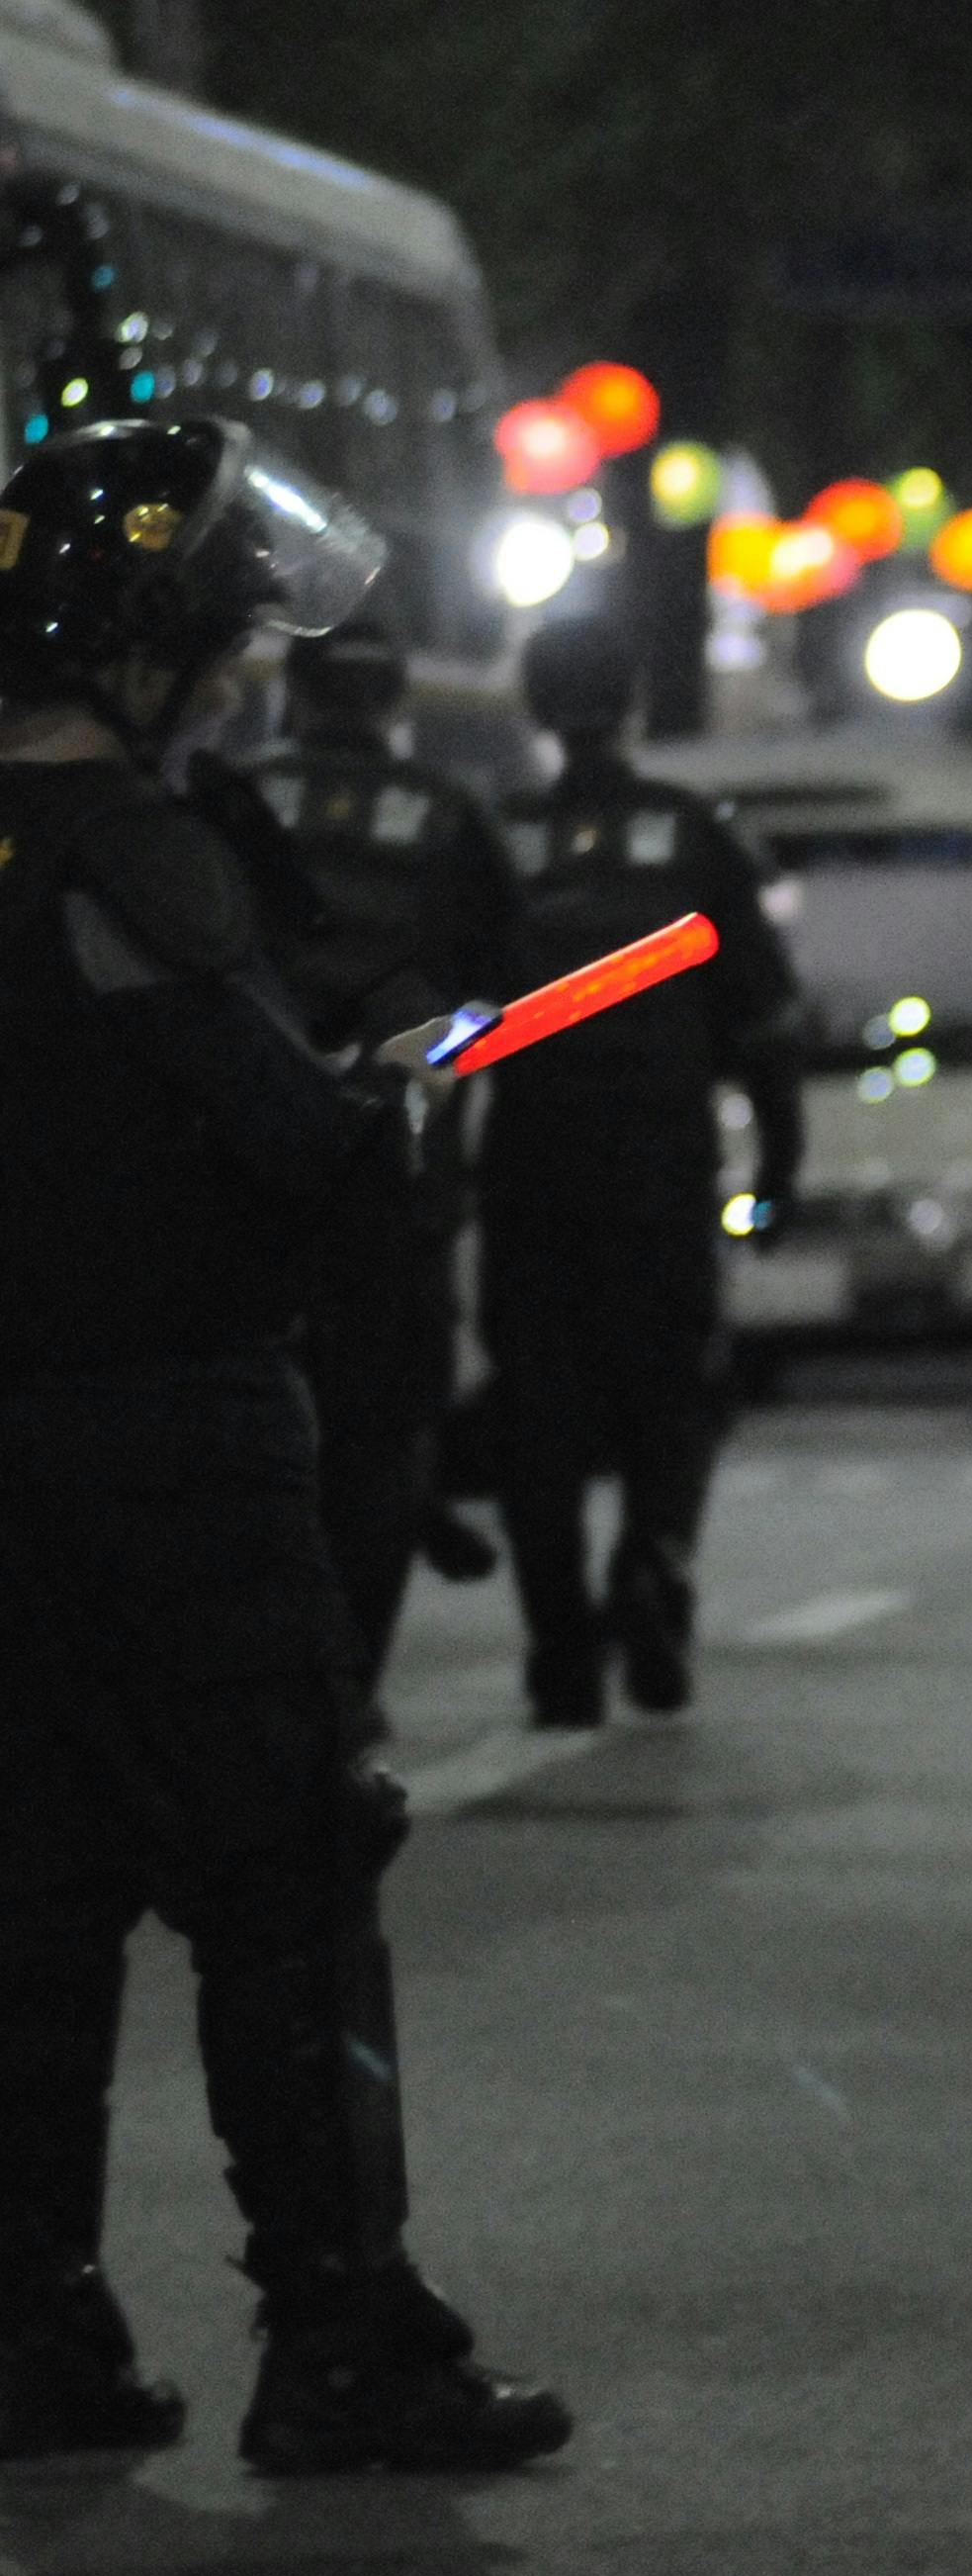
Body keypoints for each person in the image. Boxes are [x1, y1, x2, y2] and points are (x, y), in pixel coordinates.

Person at [0, 415, 569, 2471]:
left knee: (36, 1890)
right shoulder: (145, 856)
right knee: (288, 1868)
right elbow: (294, 1140)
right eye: (218, 643)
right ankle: (342, 2335)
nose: (238, 677)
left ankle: (37, 2332)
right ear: (140, 651)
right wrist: (390, 1092)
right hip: (175, 1437)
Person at [486, 615, 806, 1727]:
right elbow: (764, 1025)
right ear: (632, 703)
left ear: (532, 705)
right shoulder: (693, 836)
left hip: (528, 1166)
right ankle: (657, 1553)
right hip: (663, 1166)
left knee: (539, 1415)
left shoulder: (498, 838)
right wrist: (779, 1171)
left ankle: (561, 1655)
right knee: (674, 1389)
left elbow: (439, 1020)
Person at [219, 614, 530, 1691]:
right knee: (383, 1431)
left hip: (246, 1170)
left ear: (288, 695)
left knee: (251, 1421)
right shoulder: (449, 816)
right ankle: (351, 1683)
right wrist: (418, 1068)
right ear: (396, 706)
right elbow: (507, 995)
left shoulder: (229, 800)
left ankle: (264, 1668)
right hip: (396, 1175)